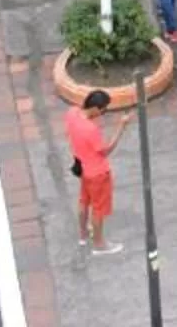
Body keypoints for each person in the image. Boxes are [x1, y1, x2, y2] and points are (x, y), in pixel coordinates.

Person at [63, 89, 118, 256]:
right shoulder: (90, 129)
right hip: (98, 173)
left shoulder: (72, 113)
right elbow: (105, 150)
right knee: (98, 209)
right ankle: (99, 244)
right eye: (103, 109)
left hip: (83, 168)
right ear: (95, 108)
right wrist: (121, 128)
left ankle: (83, 234)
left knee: (83, 201)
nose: (103, 113)